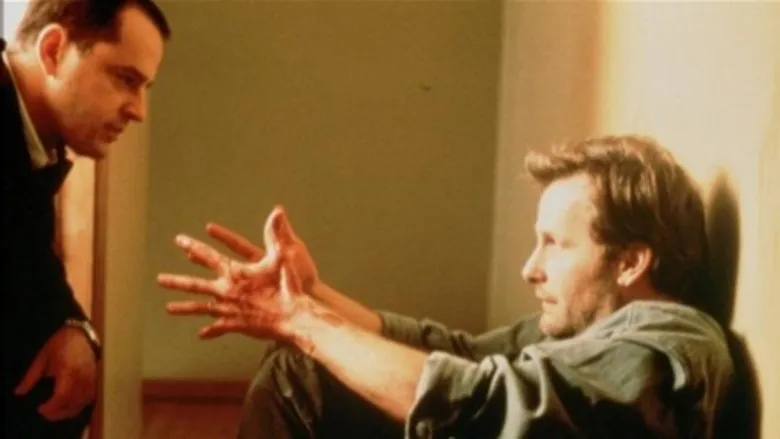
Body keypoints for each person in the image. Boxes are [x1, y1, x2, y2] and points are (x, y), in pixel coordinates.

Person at [158, 135, 734, 438]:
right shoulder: (589, 327)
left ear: (630, 261)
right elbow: (457, 352)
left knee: (301, 368)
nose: (530, 268)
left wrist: (303, 323)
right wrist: (309, 294)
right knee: (299, 372)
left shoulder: (669, 340)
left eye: (554, 244)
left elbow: (487, 404)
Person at [1, 1, 169, 436]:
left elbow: (31, 265)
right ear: (53, 51)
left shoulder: (34, 141)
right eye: (125, 79)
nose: (139, 110)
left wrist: (77, 329)